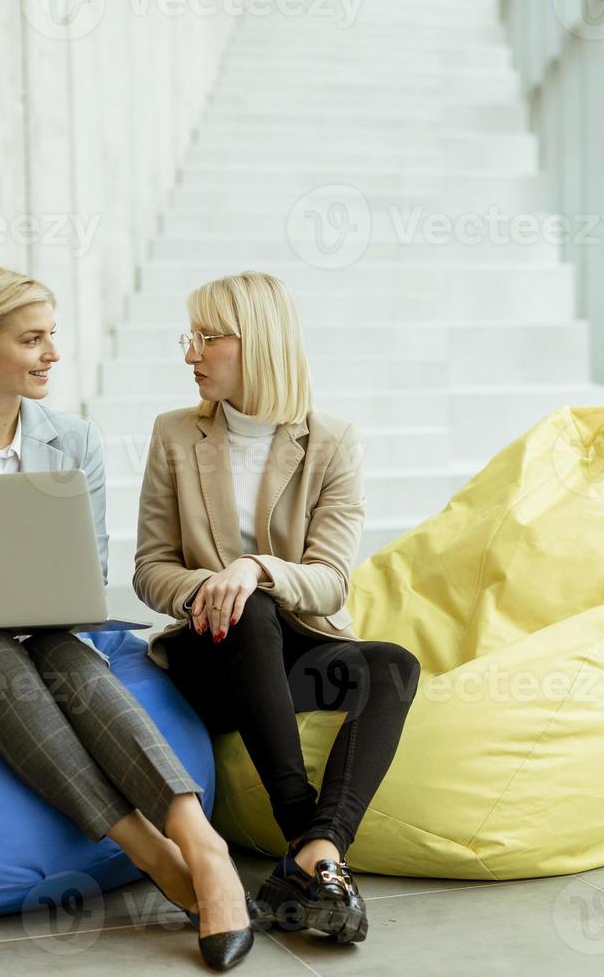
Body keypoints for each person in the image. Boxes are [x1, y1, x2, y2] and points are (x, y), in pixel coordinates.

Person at [0, 266, 253, 971]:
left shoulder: (73, 443)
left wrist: (32, 607)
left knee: (66, 653)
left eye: (51, 336)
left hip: (42, 646)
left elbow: (83, 581)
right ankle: (147, 849)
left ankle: (201, 844)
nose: (52, 355)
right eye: (32, 340)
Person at [132, 270, 421, 945]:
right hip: (210, 654)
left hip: (293, 651)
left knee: (393, 665)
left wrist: (256, 567)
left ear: (256, 343)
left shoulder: (331, 441)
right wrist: (211, 588)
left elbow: (329, 582)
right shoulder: (175, 435)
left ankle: (319, 852)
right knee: (247, 612)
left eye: (207, 338)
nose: (190, 353)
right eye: (190, 337)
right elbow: (150, 570)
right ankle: (303, 830)